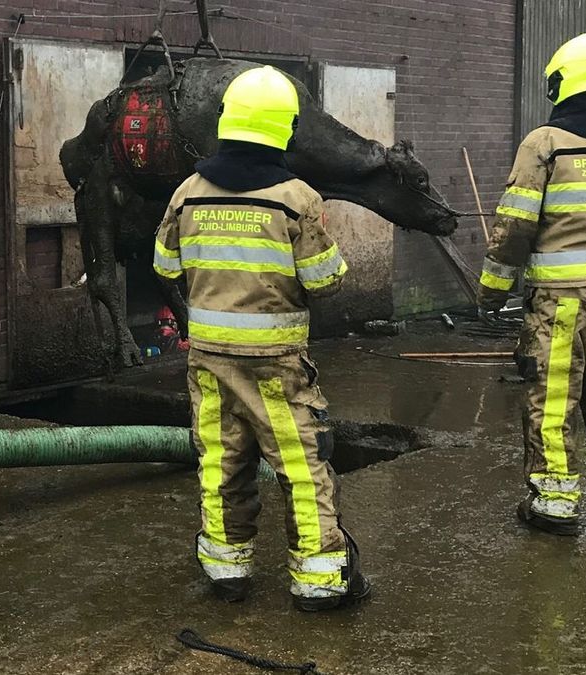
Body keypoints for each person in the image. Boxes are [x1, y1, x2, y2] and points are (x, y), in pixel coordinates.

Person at [153, 65, 369, 611]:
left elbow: (164, 263)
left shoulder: (187, 193)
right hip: (276, 365)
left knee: (220, 462)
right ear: (285, 129)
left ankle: (226, 572)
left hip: (207, 362)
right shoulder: (297, 198)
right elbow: (326, 281)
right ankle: (320, 581)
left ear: (227, 122)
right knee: (300, 464)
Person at [477, 33, 586, 535]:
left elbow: (515, 228)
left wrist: (493, 292)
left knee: (554, 396)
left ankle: (553, 504)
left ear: (562, 82)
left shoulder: (545, 144)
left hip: (560, 299)